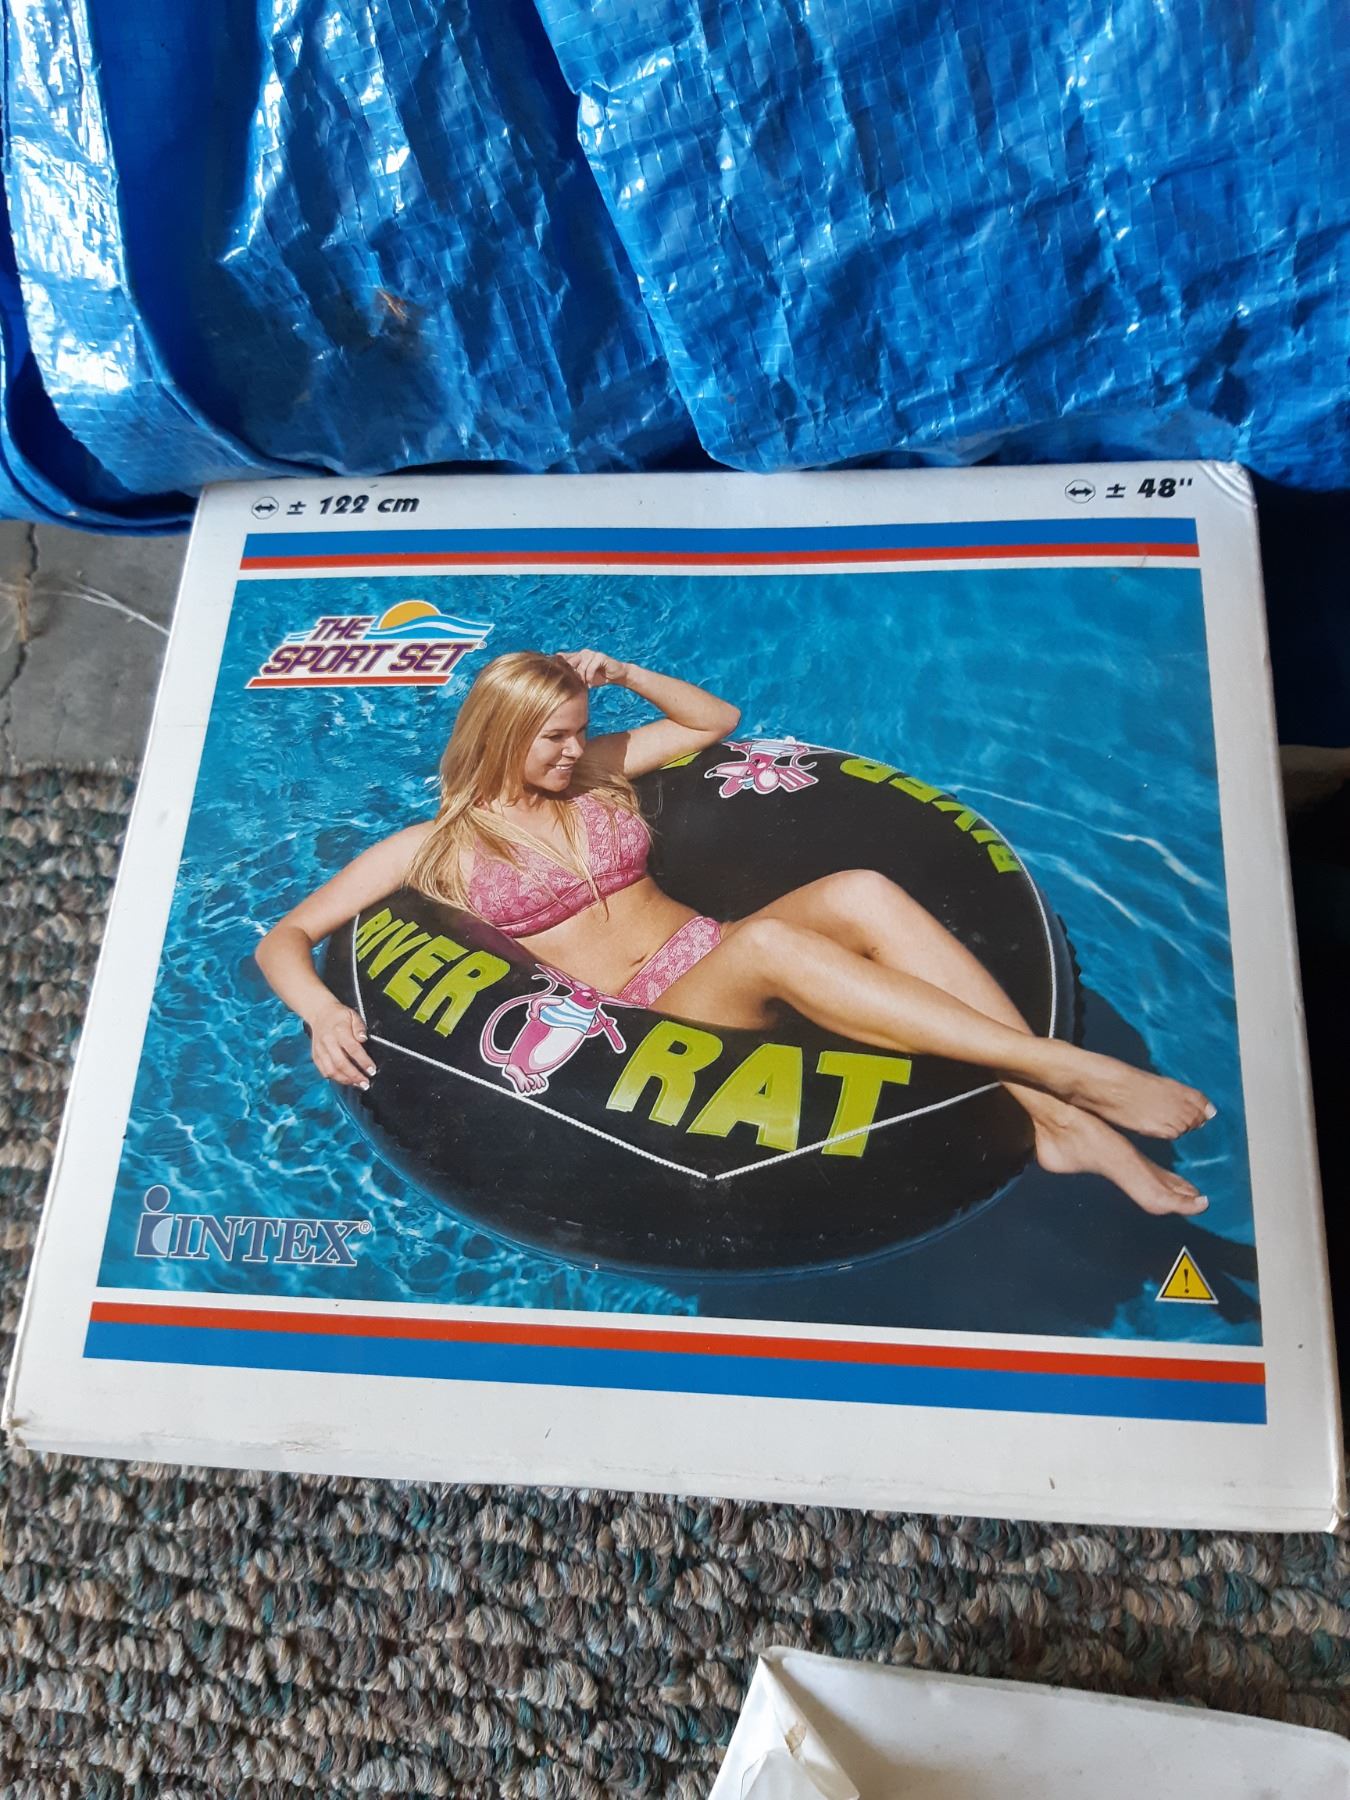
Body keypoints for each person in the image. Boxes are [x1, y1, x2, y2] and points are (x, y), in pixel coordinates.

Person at [256, 649, 1215, 1216]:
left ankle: (1059, 1118)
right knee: (764, 948)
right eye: (551, 737)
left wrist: (622, 672)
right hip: (655, 1016)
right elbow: (285, 936)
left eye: (578, 729)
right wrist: (319, 1011)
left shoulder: (596, 768)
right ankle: (1069, 1073)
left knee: (863, 892)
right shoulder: (433, 846)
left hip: (712, 949)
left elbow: (713, 720)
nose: (570, 749)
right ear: (500, 734)